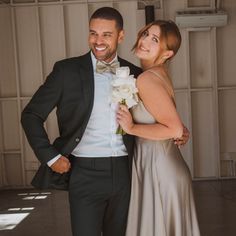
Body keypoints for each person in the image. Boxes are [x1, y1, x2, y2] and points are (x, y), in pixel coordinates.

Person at [21, 7, 189, 236]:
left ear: (120, 36)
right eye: (93, 33)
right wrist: (50, 157)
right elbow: (31, 115)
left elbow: (161, 116)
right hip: (83, 172)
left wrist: (179, 130)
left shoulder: (137, 73)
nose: (98, 41)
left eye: (106, 34)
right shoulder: (66, 71)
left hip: (128, 173)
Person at [117, 20, 201, 236]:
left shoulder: (147, 79)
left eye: (155, 40)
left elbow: (173, 130)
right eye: (145, 34)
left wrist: (132, 127)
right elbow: (174, 124)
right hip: (160, 165)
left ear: (167, 54)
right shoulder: (157, 74)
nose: (144, 41)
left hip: (159, 170)